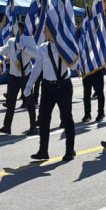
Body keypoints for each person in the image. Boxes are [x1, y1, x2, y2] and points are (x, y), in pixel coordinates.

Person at [24, 28, 76, 160]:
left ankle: (70, 150)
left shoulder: (64, 46)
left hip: (63, 86)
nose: (43, 33)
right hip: (47, 87)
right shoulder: (42, 48)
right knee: (44, 120)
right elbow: (37, 68)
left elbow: (74, 67)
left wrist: (68, 50)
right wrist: (29, 85)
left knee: (66, 118)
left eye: (46, 30)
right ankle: (43, 151)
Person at [0, 22, 38, 135]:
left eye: (14, 28)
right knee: (10, 102)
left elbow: (36, 54)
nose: (12, 30)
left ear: (19, 29)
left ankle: (33, 126)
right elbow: (5, 49)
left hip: (25, 75)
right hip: (13, 76)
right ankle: (7, 127)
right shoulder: (12, 41)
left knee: (29, 102)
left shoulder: (29, 40)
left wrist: (24, 48)